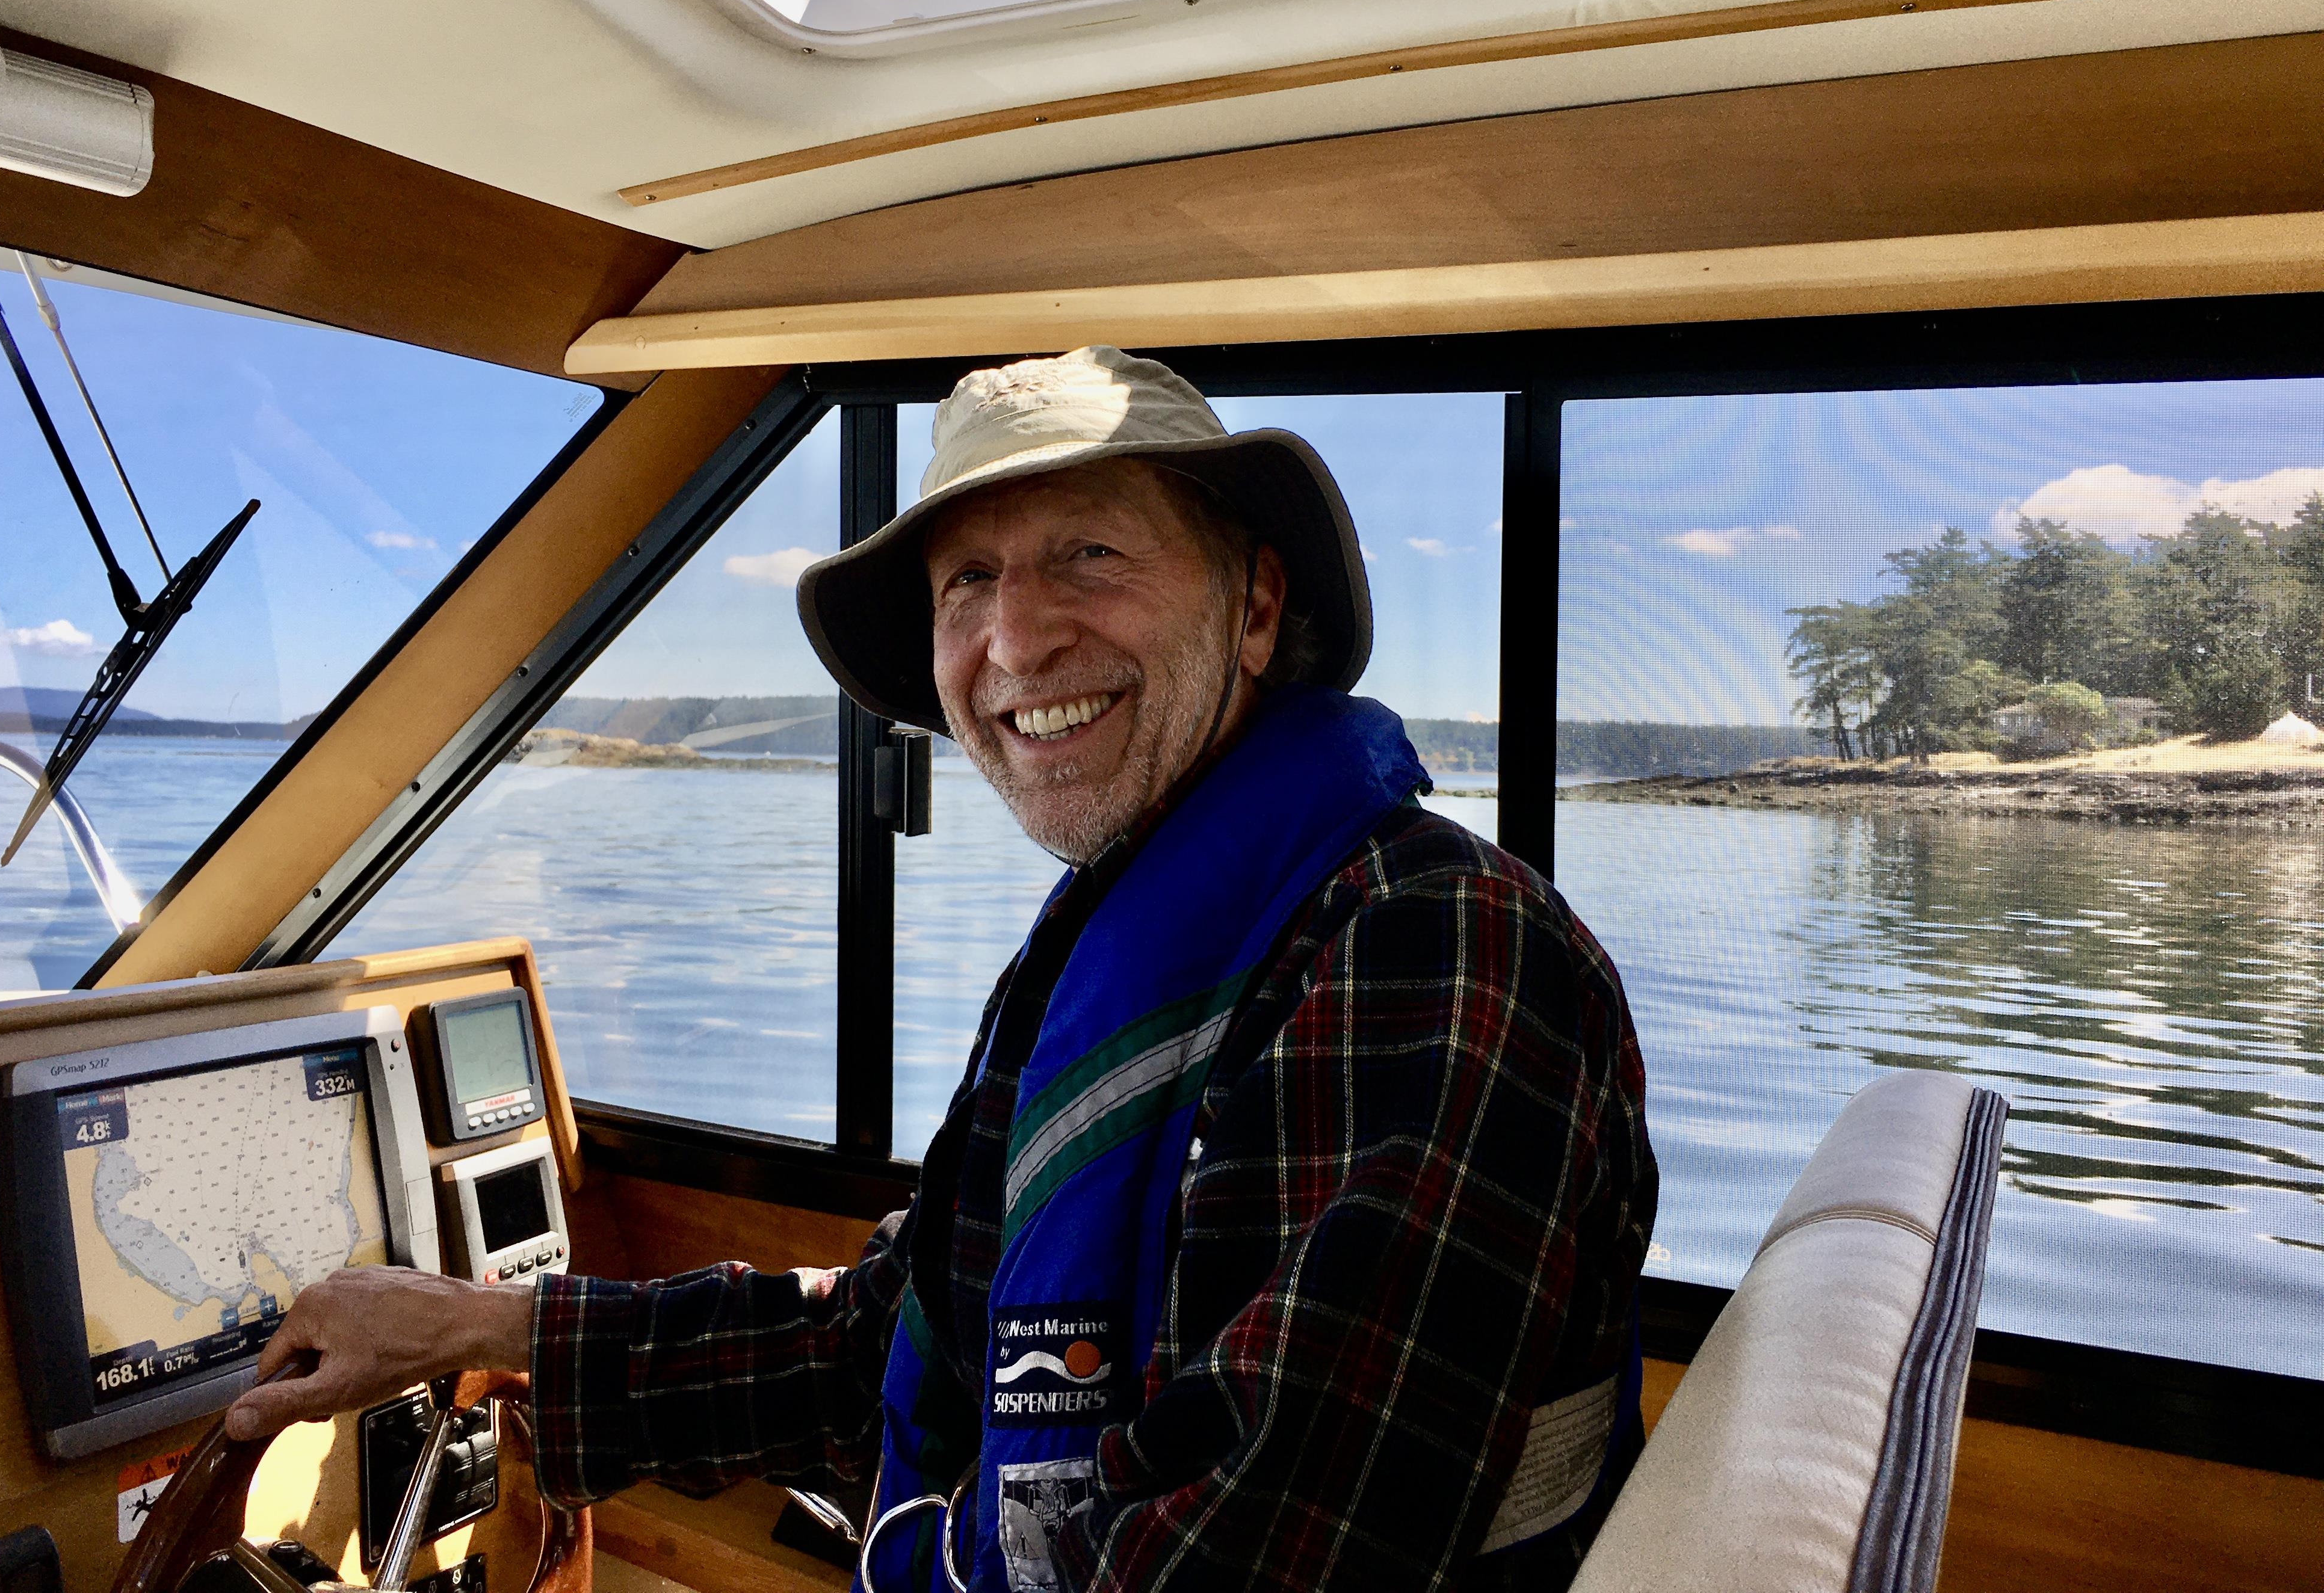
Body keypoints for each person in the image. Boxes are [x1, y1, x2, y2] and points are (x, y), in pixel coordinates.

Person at [228, 347, 1657, 1592]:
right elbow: (885, 1342)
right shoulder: (1115, 951)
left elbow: (1260, 1551)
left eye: (1089, 554)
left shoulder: (1437, 954)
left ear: (1258, 606)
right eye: (968, 580)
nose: (1015, 639)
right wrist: (487, 1325)